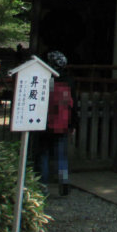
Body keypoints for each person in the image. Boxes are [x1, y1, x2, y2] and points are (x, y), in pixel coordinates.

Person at [39, 51, 75, 196]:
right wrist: (72, 124)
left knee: (44, 154)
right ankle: (64, 181)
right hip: (63, 122)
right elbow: (74, 105)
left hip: (45, 123)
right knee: (61, 155)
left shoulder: (45, 79)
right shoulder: (69, 81)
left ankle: (43, 185)